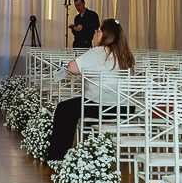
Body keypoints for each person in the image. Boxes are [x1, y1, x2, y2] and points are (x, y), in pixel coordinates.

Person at [44, 18, 134, 161]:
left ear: (106, 35)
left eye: (99, 31)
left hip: (102, 106)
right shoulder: (125, 55)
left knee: (64, 109)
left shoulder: (99, 52)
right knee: (77, 106)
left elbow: (73, 68)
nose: (96, 34)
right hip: (124, 108)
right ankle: (92, 148)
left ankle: (57, 156)